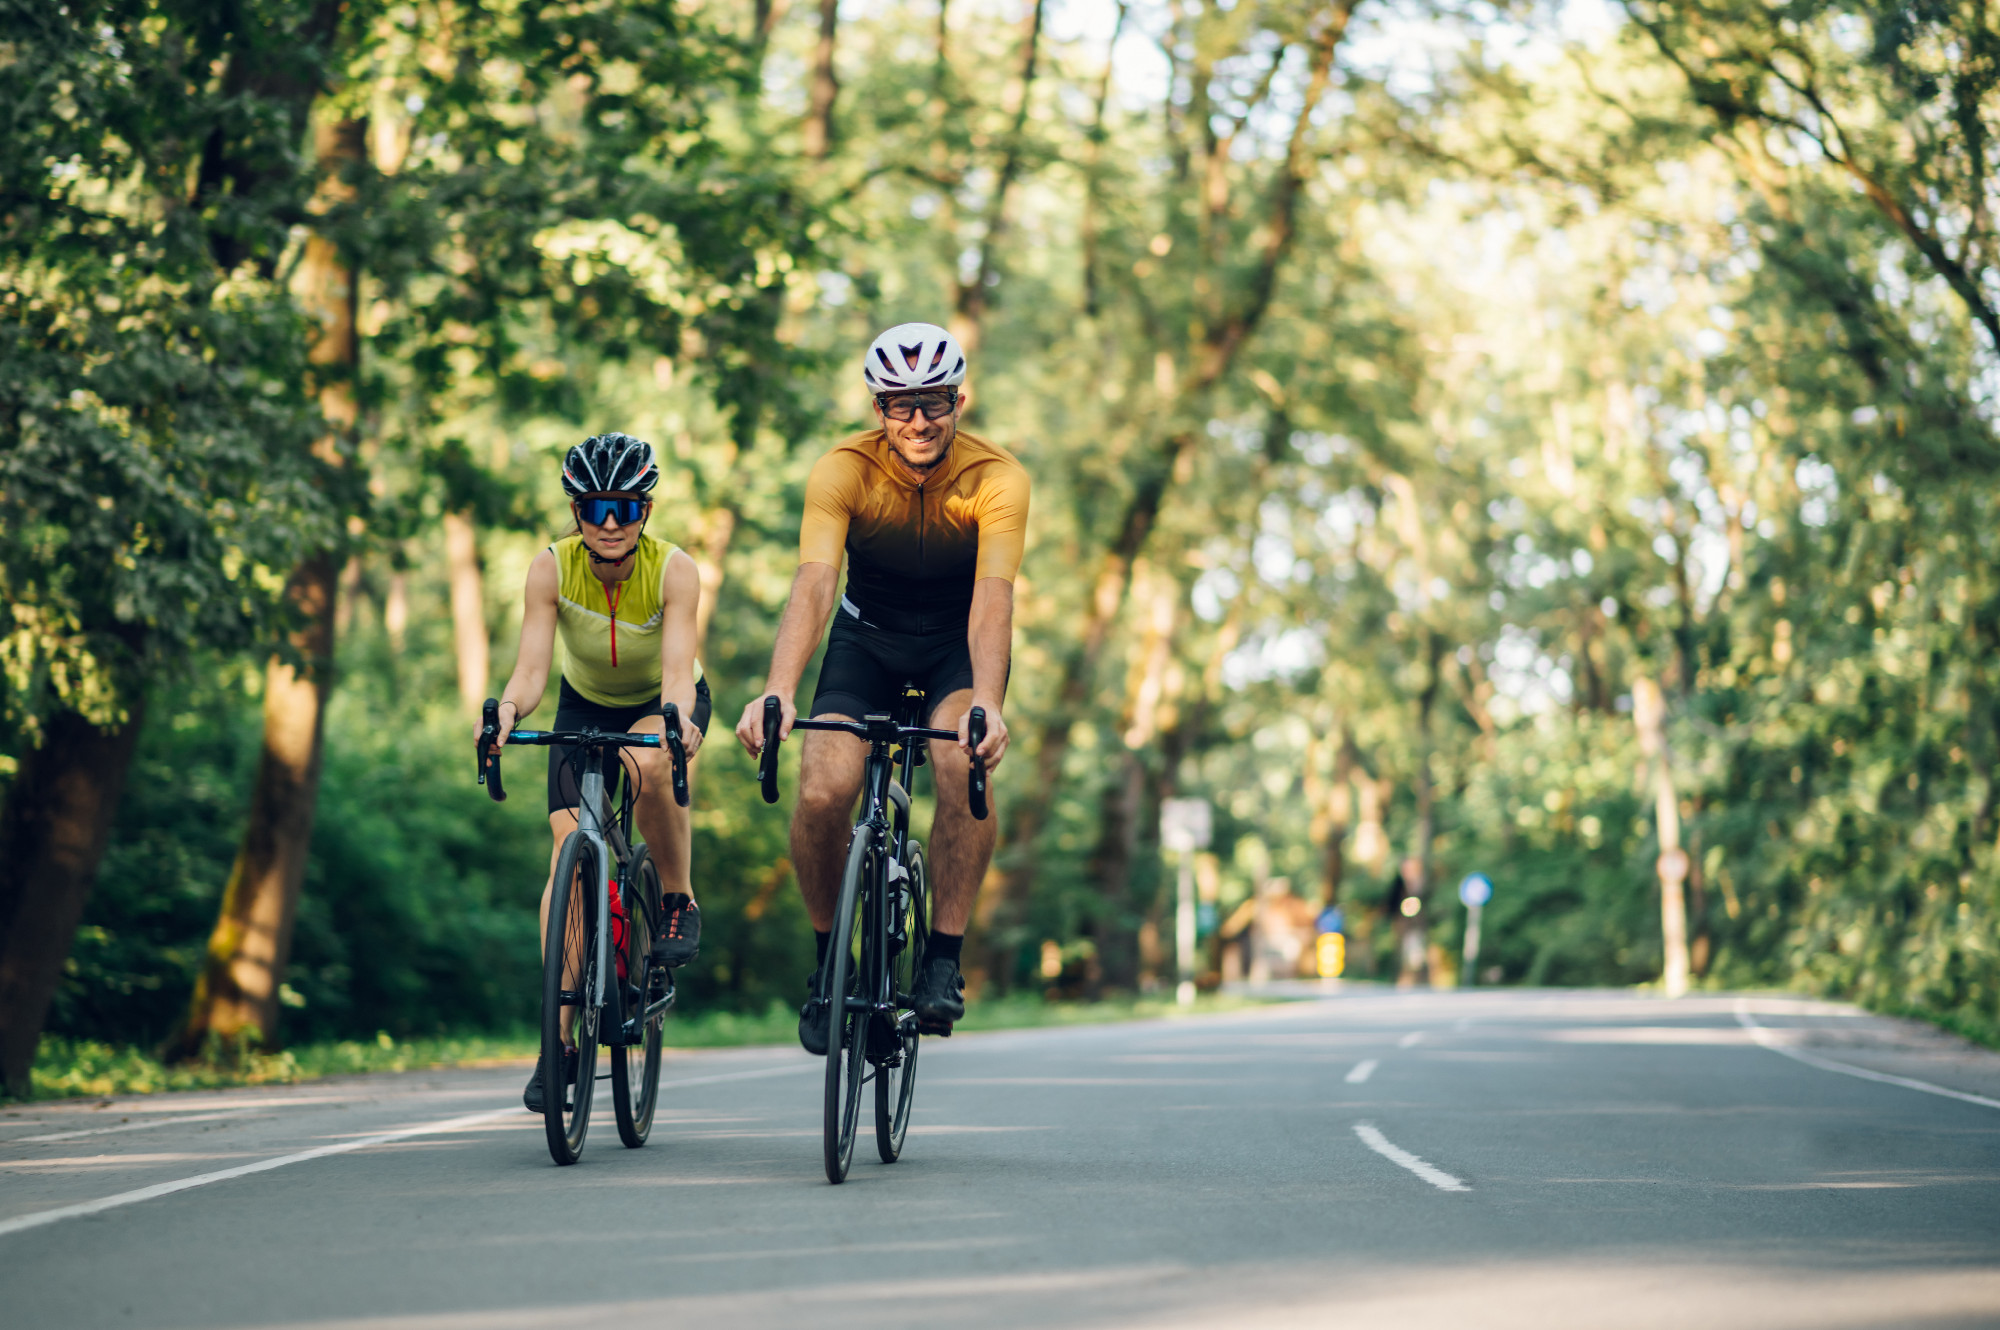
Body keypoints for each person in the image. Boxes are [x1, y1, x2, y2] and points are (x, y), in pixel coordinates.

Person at [734, 322, 1028, 1051]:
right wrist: (777, 689)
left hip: (954, 647)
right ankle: (831, 961)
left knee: (961, 760)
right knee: (823, 786)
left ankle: (942, 961)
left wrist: (987, 702)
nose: (918, 421)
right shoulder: (842, 470)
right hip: (866, 641)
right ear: (879, 410)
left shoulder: (998, 478)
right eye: (900, 405)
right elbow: (815, 582)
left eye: (932, 402)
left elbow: (994, 596)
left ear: (959, 400)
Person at [483, 432, 711, 1113]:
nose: (610, 523)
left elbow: (676, 675)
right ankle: (559, 1043)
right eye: (593, 508)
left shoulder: (675, 570)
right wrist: (503, 713)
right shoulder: (550, 569)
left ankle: (675, 898)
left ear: (645, 509)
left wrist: (676, 725)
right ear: (575, 511)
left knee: (646, 759)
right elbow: (528, 672)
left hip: (658, 701)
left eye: (624, 508)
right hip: (581, 703)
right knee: (566, 862)